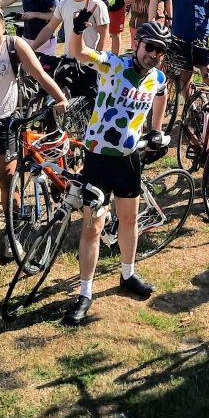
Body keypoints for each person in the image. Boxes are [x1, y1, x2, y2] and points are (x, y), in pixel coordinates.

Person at [61, 21, 172, 326]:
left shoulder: (158, 77)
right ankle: (85, 293)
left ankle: (128, 273)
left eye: (160, 50)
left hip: (129, 159)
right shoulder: (114, 65)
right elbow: (79, 52)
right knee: (92, 228)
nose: (154, 54)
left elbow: (161, 93)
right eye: (150, 47)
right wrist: (78, 30)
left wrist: (156, 130)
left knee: (128, 220)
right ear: (137, 43)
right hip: (98, 158)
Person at [0, 6, 69, 244]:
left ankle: (13, 230)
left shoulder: (14, 46)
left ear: (3, 28)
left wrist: (60, 98)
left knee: (7, 178)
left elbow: (39, 73)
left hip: (7, 122)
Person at [29, 0, 110, 58]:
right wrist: (30, 49)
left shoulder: (97, 5)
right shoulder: (63, 4)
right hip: (70, 61)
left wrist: (97, 62)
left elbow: (104, 37)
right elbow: (49, 29)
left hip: (90, 61)